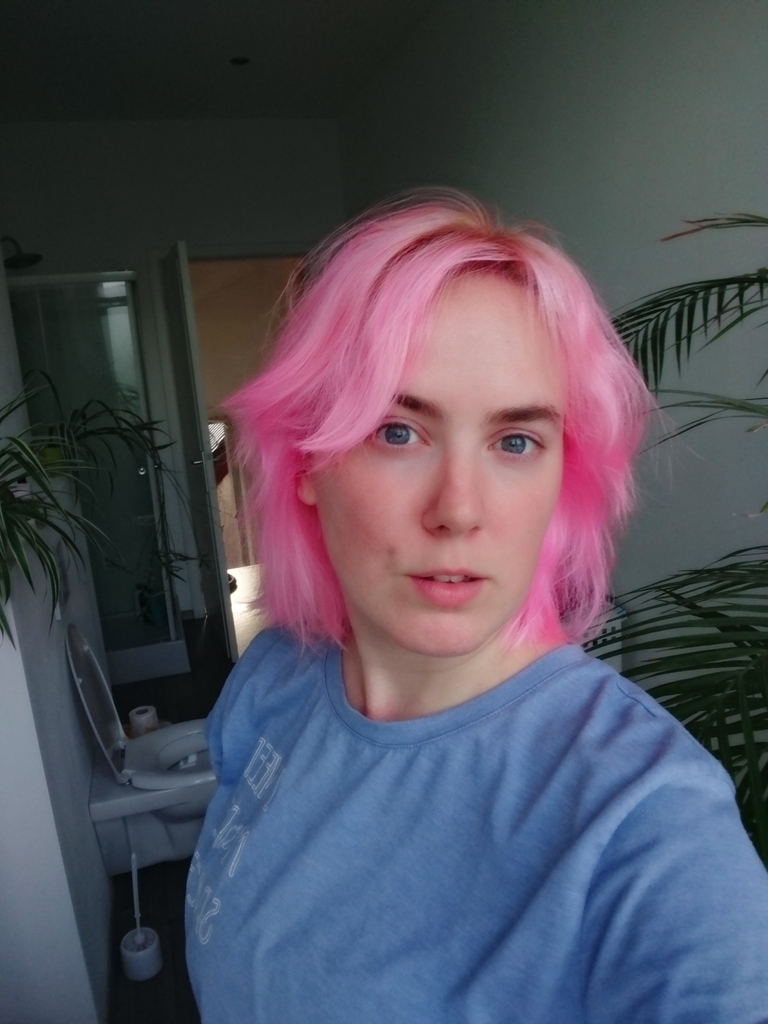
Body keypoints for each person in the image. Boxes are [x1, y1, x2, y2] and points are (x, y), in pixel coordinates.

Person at [185, 192, 768, 1023]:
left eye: (515, 441)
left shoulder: (644, 821)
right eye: (397, 431)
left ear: (563, 477)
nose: (458, 510)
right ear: (309, 461)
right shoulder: (275, 677)